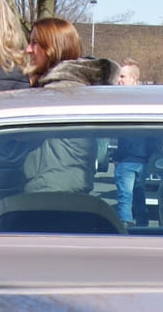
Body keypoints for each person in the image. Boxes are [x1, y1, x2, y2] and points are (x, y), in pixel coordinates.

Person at [19, 18, 120, 194]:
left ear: (53, 48)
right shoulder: (73, 89)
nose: (28, 49)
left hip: (49, 198)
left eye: (35, 43)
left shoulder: (57, 94)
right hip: (61, 191)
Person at [111, 58, 149, 225]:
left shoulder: (126, 105)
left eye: (123, 76)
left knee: (125, 199)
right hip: (143, 161)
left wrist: (117, 157)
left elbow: (125, 136)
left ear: (133, 79)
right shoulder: (147, 103)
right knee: (139, 198)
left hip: (128, 160)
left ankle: (125, 231)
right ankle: (144, 228)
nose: (119, 80)